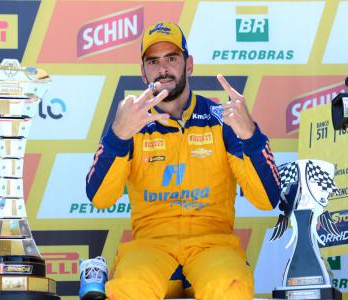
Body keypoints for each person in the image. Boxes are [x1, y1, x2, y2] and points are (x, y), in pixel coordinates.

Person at [85, 21, 280, 300]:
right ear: (143, 72)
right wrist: (117, 136)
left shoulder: (221, 118)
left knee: (230, 287)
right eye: (153, 61)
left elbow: (266, 199)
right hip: (151, 246)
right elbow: (100, 198)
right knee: (128, 289)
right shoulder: (132, 122)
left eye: (172, 58)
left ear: (188, 65)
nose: (163, 69)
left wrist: (252, 137)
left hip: (212, 245)